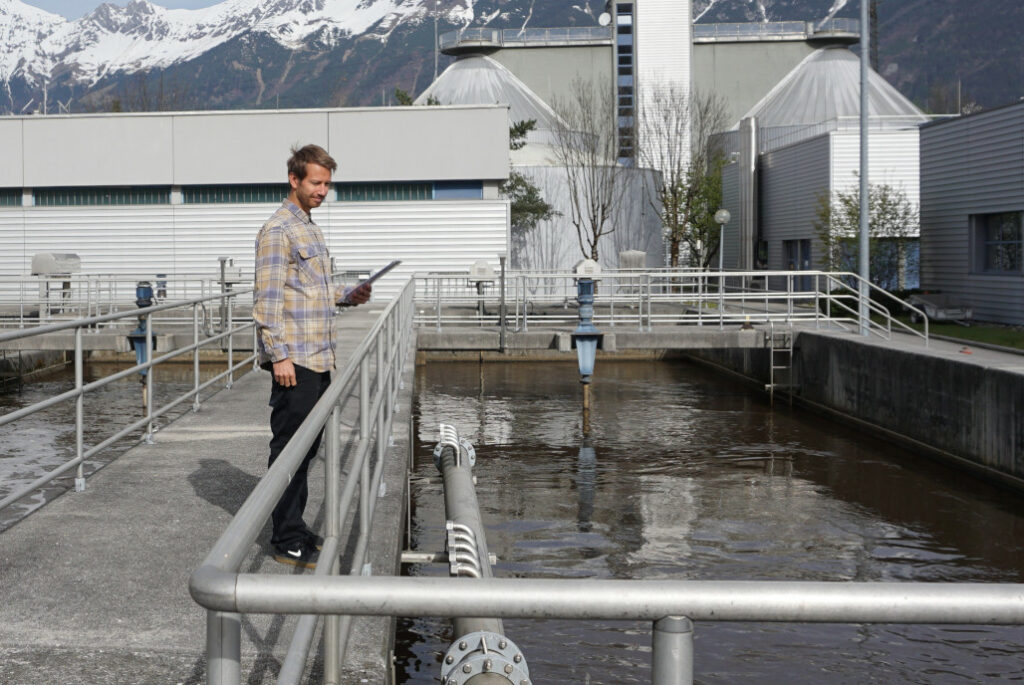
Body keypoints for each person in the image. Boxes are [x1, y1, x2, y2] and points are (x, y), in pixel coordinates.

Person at [253, 144, 370, 569]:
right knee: (290, 450)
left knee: (307, 452)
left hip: (321, 358)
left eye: (327, 184)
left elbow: (312, 292)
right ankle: (284, 539)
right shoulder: (278, 230)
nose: (323, 190)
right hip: (296, 362)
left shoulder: (310, 228)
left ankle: (296, 526)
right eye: (316, 183)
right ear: (295, 180)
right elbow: (266, 302)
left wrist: (348, 295)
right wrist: (278, 357)